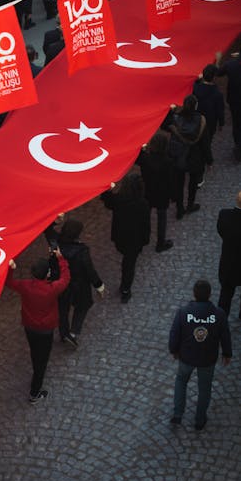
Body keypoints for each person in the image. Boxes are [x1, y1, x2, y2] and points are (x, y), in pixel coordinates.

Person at [6, 249, 69, 402]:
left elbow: (9, 282)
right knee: (43, 359)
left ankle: (36, 368)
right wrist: (61, 259)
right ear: (47, 274)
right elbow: (66, 278)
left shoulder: (25, 286)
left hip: (30, 327)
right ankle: (35, 392)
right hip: (46, 329)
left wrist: (10, 269)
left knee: (35, 352)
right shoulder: (52, 289)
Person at [169, 279, 232, 430]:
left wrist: (174, 350)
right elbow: (225, 335)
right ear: (210, 295)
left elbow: (174, 333)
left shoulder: (183, 312)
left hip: (187, 356)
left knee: (181, 381)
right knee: (204, 388)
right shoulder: (219, 314)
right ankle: (200, 419)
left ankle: (178, 414)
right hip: (207, 358)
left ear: (194, 294)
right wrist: (227, 353)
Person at [101, 173, 151, 303]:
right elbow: (146, 224)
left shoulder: (119, 200)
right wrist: (145, 240)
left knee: (127, 261)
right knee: (129, 265)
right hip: (135, 240)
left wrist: (107, 189)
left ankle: (125, 288)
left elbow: (108, 201)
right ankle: (125, 289)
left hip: (120, 237)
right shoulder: (143, 204)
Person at [57, 218, 104, 345]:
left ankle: (64, 333)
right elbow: (89, 270)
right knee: (83, 306)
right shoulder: (82, 251)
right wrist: (99, 285)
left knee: (63, 309)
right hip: (79, 284)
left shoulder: (57, 244)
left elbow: (48, 232)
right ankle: (73, 332)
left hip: (61, 283)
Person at [168, 94, 213, 218]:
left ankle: (179, 209)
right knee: (193, 184)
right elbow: (205, 144)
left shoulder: (176, 119)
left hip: (178, 156)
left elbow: (165, 125)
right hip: (195, 157)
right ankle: (190, 204)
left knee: (179, 183)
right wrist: (209, 161)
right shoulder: (201, 121)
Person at [137, 132, 174, 252]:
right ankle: (160, 243)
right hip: (162, 193)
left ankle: (142, 240)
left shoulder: (145, 158)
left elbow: (137, 154)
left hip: (147, 191)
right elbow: (170, 180)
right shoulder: (167, 161)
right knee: (161, 218)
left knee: (144, 217)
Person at [216, 191, 241, 320]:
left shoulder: (224, 215)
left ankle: (221, 319)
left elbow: (221, 231)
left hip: (229, 263)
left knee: (226, 294)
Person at [216, 37, 241, 161]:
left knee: (237, 124)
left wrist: (218, 60)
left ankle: (238, 147)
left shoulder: (230, 64)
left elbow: (218, 73)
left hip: (235, 100)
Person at [193, 64, 224, 143]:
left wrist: (197, 79)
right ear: (214, 78)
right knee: (208, 141)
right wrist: (221, 123)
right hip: (211, 122)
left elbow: (194, 84)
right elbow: (220, 110)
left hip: (197, 120)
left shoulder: (196, 88)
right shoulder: (218, 94)